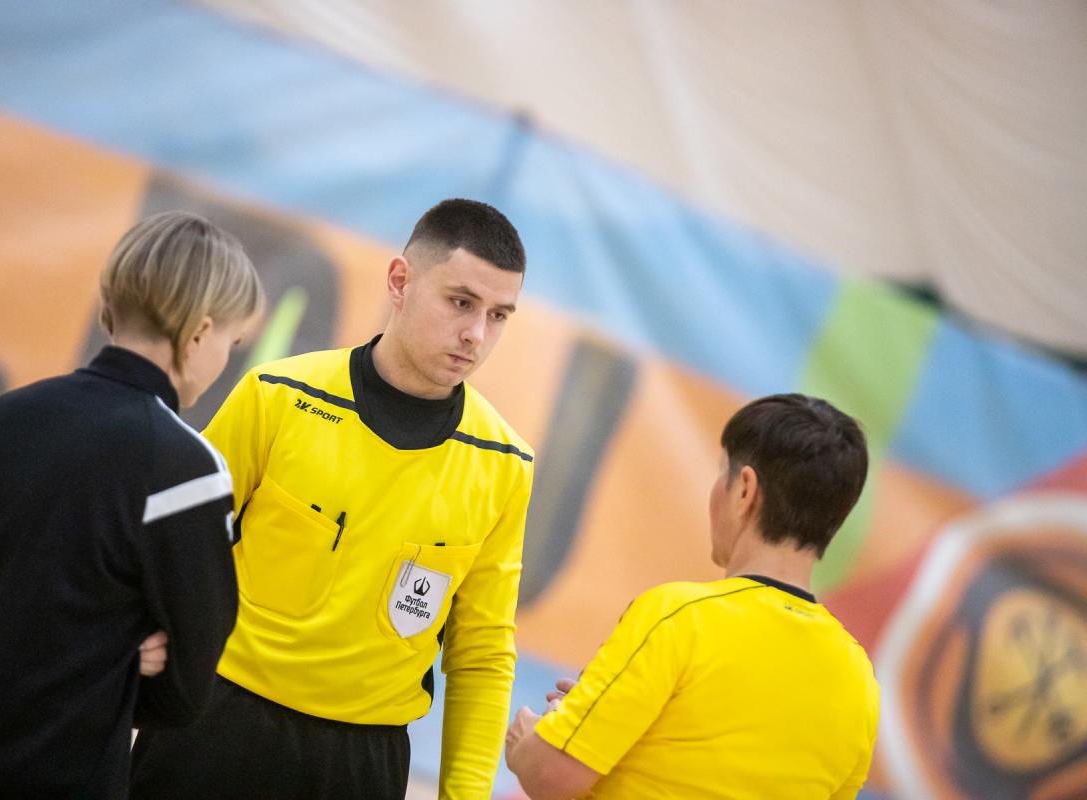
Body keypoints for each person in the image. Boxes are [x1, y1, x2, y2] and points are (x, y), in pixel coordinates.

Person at [130, 198, 534, 800]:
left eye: (499, 315)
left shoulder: (504, 464)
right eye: (460, 302)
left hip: (363, 763)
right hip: (215, 725)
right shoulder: (277, 396)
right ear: (400, 281)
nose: (476, 333)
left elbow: (481, 654)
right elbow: (164, 552)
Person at [0, 211, 264, 797]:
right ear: (198, 333)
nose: (225, 359)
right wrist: (116, 657)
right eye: (231, 342)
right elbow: (185, 689)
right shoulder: (186, 471)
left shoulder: (6, 417)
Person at [505, 394, 879, 800]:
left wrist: (532, 736)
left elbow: (551, 776)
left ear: (744, 490)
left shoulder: (677, 616)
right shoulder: (859, 681)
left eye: (722, 472)